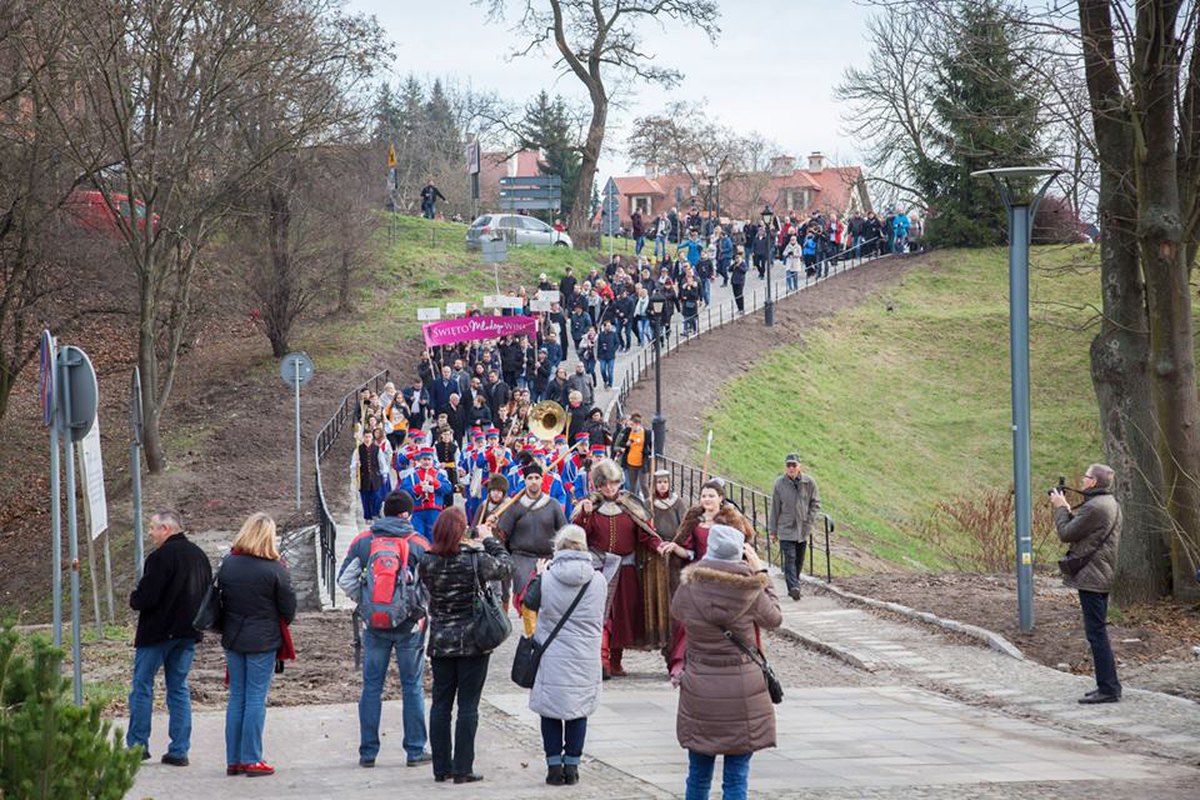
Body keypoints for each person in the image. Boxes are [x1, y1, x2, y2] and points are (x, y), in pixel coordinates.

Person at [672, 525, 781, 800]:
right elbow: (775, 619)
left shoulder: (690, 586)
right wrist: (762, 574)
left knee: (697, 775)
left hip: (700, 685)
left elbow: (676, 611)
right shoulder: (751, 590)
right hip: (742, 689)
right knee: (736, 777)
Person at [336, 491, 431, 768]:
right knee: (412, 686)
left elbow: (345, 579)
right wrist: (415, 609)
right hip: (409, 626)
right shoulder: (417, 543)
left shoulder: (365, 541)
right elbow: (428, 587)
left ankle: (368, 752)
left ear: (384, 512)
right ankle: (415, 750)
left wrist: (366, 602)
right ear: (407, 514)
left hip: (373, 625)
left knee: (371, 687)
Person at [420, 508, 513, 784]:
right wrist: (488, 538)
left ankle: (441, 767)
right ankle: (462, 768)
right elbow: (506, 566)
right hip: (473, 641)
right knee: (468, 706)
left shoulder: (427, 561)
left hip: (440, 642)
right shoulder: (475, 559)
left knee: (440, 705)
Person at [522, 524, 607, 786]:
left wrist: (538, 575)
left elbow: (529, 604)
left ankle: (553, 768)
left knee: (551, 711)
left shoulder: (547, 577)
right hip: (585, 654)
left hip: (552, 652)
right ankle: (572, 766)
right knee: (577, 710)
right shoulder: (599, 580)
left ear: (558, 546)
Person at [126, 511, 212, 766]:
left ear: (165, 528)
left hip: (157, 633)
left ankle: (137, 746)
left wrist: (134, 598)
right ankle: (179, 750)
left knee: (142, 686)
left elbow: (146, 597)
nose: (150, 533)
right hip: (188, 633)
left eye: (152, 528)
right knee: (178, 688)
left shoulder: (160, 557)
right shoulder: (200, 556)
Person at [574, 459, 672, 678]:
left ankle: (616, 661)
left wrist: (659, 545)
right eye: (605, 484)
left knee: (623, 617)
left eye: (614, 483)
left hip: (626, 570)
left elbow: (645, 534)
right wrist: (586, 515)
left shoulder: (631, 505)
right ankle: (601, 661)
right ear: (598, 485)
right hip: (599, 570)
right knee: (601, 616)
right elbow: (579, 536)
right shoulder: (589, 506)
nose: (610, 488)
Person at [217, 513, 297, 777]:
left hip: (233, 637)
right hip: (262, 640)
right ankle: (252, 758)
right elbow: (288, 609)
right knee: (255, 699)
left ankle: (234, 759)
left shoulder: (228, 564)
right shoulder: (275, 569)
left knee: (236, 697)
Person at [664, 481, 755, 677]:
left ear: (721, 498)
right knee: (688, 619)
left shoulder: (731, 520)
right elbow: (689, 552)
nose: (707, 499)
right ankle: (682, 660)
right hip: (698, 575)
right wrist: (675, 548)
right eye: (704, 495)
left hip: (724, 575)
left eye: (711, 495)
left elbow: (741, 549)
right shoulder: (694, 520)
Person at [1050, 464, 1123, 704]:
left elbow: (1066, 533)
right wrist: (1069, 510)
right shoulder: (1108, 503)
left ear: (1093, 482)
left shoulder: (1095, 507)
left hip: (1092, 577)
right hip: (1101, 574)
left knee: (1096, 633)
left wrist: (1060, 509)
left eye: (1086, 477)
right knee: (1097, 631)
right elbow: (1084, 530)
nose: (1082, 480)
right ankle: (1108, 685)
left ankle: (1109, 689)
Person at [497, 461, 568, 634]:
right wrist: (493, 526)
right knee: (527, 600)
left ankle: (547, 637)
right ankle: (532, 638)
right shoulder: (515, 506)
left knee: (548, 600)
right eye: (530, 478)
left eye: (537, 477)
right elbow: (502, 534)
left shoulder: (553, 505)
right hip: (521, 558)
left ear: (542, 480)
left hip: (547, 558)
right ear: (525, 481)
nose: (533, 481)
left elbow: (564, 533)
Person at [769, 453, 821, 601]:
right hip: (785, 528)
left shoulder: (809, 482)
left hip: (803, 529)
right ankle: (793, 587)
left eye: (794, 465)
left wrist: (809, 520)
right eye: (788, 465)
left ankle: (794, 584)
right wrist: (773, 530)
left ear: (799, 467)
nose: (791, 468)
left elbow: (816, 503)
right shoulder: (779, 483)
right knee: (790, 558)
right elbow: (775, 508)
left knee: (799, 559)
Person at [352, 429, 389, 522]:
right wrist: (355, 471)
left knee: (377, 496)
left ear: (372, 438)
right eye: (366, 437)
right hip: (363, 477)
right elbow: (353, 465)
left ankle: (375, 513)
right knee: (365, 498)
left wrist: (384, 474)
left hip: (375, 477)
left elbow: (382, 462)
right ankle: (367, 516)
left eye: (369, 437)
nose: (367, 439)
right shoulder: (358, 450)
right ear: (363, 438)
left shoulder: (377, 449)